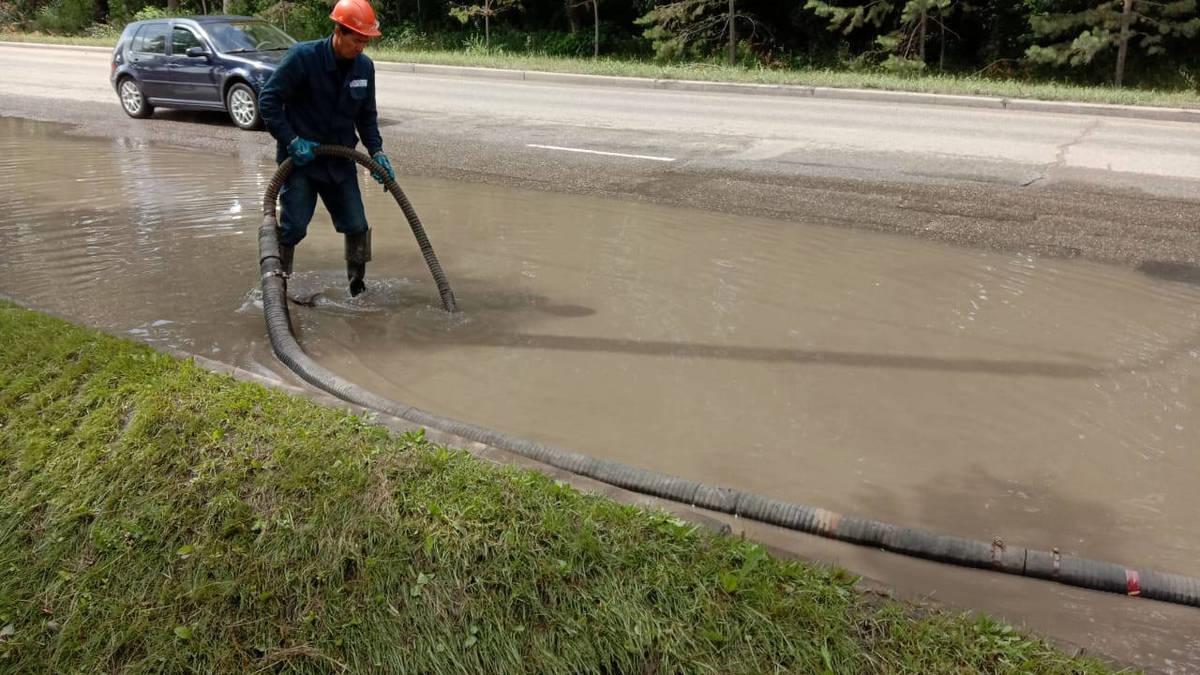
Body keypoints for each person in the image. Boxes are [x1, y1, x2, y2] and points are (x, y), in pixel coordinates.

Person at [258, 0, 395, 297]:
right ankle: (277, 291)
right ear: (338, 31)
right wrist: (291, 140)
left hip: (340, 163)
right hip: (301, 162)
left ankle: (357, 290)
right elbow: (268, 100)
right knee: (294, 228)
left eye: (366, 41)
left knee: (357, 225)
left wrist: (377, 153)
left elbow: (366, 117)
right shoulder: (303, 58)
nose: (360, 47)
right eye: (356, 40)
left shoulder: (364, 68)